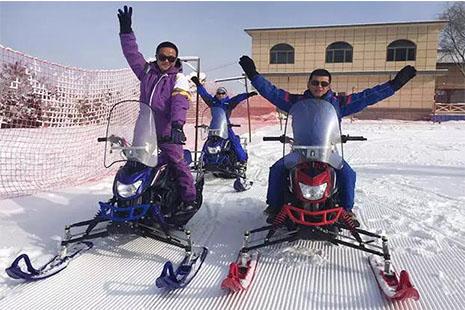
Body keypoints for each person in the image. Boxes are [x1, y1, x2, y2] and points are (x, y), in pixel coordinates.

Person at [238, 55, 416, 228]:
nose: (319, 87)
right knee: (277, 170)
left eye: (324, 83)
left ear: (329, 86)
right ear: (308, 83)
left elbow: (367, 97)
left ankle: (346, 210)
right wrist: (253, 74)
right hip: (299, 152)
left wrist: (395, 84)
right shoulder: (295, 101)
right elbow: (271, 92)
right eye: (315, 82)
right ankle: (275, 206)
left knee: (348, 173)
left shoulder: (340, 103)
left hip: (327, 152)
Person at [117, 6, 196, 212]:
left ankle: (189, 199)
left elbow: (180, 103)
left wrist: (177, 126)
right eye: (163, 57)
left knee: (178, 164)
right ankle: (130, 199)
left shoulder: (179, 78)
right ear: (157, 56)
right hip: (144, 132)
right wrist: (126, 31)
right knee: (134, 165)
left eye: (171, 58)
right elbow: (131, 53)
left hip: (169, 134)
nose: (167, 61)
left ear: (175, 60)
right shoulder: (146, 73)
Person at [191, 76, 257, 171]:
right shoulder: (212, 101)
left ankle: (242, 159)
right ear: (216, 94)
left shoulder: (229, 102)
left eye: (222, 93)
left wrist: (247, 95)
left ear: (225, 94)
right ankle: (202, 161)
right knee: (208, 142)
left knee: (234, 141)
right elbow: (204, 94)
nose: (220, 95)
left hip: (225, 126)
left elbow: (238, 98)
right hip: (215, 125)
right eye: (219, 93)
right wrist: (198, 84)